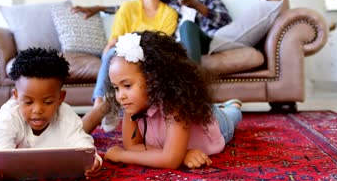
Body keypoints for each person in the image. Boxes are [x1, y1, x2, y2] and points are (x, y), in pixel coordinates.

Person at [103, 32, 242, 169]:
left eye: (127, 86)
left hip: (217, 126)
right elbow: (132, 146)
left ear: (153, 79)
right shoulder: (131, 104)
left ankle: (232, 106)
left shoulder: (174, 105)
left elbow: (170, 160)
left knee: (233, 115)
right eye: (116, 88)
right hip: (195, 119)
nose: (120, 95)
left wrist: (121, 155)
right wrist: (183, 154)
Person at [80, 0, 178, 134]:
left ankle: (113, 107)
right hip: (124, 52)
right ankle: (100, 104)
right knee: (111, 53)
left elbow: (159, 43)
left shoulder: (169, 13)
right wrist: (107, 54)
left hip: (150, 54)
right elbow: (115, 38)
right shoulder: (127, 7)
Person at [0, 48, 102, 181]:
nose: (38, 110)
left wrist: (93, 162)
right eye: (28, 102)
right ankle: (0, 116)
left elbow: (84, 148)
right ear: (16, 96)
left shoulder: (66, 115)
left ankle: (100, 108)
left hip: (42, 122)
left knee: (79, 127)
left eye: (48, 102)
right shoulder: (11, 115)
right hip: (11, 122)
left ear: (61, 98)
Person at [73, 0, 232, 63]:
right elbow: (136, 6)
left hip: (202, 42)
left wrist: (197, 5)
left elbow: (224, 21)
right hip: (179, 46)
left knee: (187, 26)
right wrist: (100, 8)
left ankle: (195, 78)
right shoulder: (171, 2)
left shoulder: (211, 0)